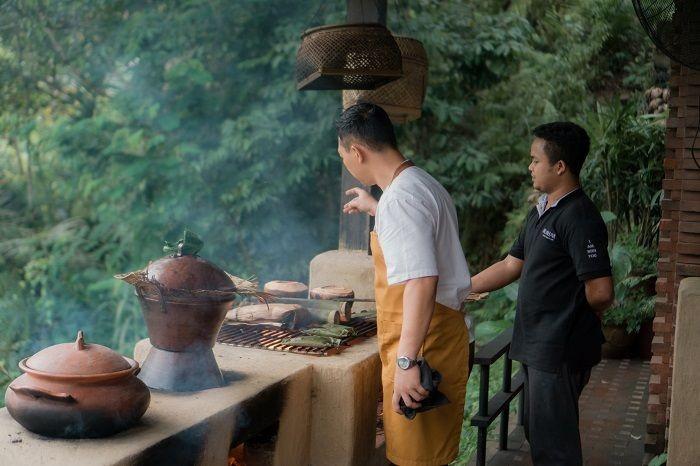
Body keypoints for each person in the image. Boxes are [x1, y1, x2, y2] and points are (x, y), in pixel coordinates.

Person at [470, 122, 615, 465]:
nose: (530, 166)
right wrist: (459, 287)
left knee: (556, 450)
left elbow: (601, 291)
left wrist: (573, 319)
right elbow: (509, 266)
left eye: (535, 160)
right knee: (541, 437)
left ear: (560, 166)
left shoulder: (579, 217)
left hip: (558, 351)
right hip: (539, 348)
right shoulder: (542, 211)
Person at [339, 102, 471, 466]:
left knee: (417, 459)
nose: (346, 164)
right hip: (437, 335)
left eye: (343, 155)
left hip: (424, 345)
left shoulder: (400, 199)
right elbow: (415, 237)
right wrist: (376, 207)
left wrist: (407, 361)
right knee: (427, 456)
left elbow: (421, 281)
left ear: (357, 151)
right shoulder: (419, 184)